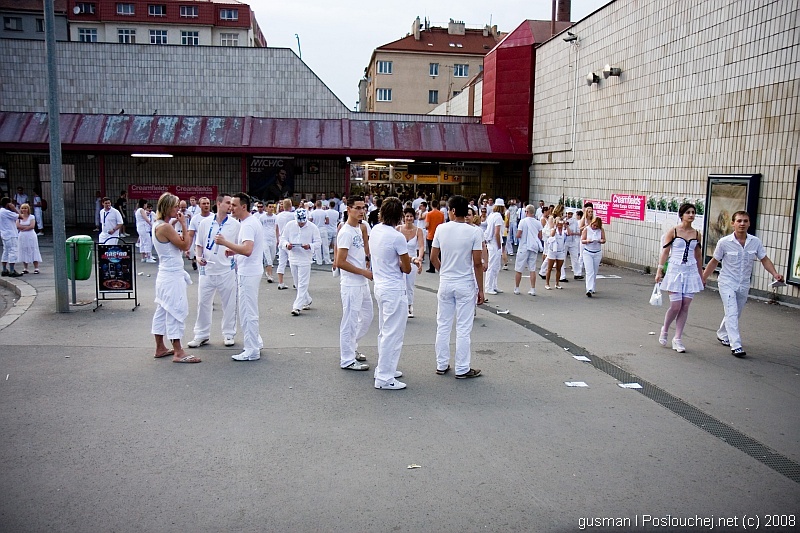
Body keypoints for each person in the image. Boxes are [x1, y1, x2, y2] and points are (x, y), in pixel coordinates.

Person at [702, 211, 784, 357]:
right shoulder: (724, 242)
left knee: (735, 312)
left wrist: (775, 273)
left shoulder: (755, 242)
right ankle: (736, 345)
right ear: (733, 223)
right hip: (727, 282)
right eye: (739, 221)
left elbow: (764, 259)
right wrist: (704, 277)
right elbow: (714, 261)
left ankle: (722, 333)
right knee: (732, 311)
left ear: (749, 223)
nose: (742, 224)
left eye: (745, 221)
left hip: (744, 283)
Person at [431, 195, 484, 379]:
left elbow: (433, 257)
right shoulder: (474, 232)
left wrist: (443, 271)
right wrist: (481, 289)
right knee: (463, 328)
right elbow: (477, 263)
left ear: (452, 211)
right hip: (465, 282)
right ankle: (462, 368)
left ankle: (441, 364)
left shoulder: (441, 229)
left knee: (443, 325)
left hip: (446, 281)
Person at [214, 193, 264, 362]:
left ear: (244, 206)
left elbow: (248, 250)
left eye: (234, 205)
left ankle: (252, 349)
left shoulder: (248, 225)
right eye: (230, 205)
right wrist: (234, 251)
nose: (231, 208)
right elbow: (247, 248)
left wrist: (225, 243)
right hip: (249, 270)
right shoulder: (248, 223)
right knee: (248, 309)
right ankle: (255, 341)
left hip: (249, 272)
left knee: (247, 311)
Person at [187, 193, 240, 350]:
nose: (230, 206)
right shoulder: (204, 223)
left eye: (232, 203)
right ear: (218, 203)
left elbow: (239, 246)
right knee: (203, 303)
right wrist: (197, 257)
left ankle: (229, 333)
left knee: (229, 303)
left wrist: (233, 257)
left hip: (226, 270)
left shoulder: (235, 225)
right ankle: (201, 334)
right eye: (227, 203)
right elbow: (199, 244)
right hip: (207, 269)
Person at [370, 197, 413, 390]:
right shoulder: (397, 237)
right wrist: (409, 262)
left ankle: (384, 368)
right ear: (399, 216)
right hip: (394, 288)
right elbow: (406, 267)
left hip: (380, 284)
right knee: (393, 333)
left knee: (385, 330)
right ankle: (385, 377)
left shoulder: (376, 230)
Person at [150, 193, 198, 363]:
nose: (179, 209)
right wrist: (184, 225)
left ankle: (160, 347)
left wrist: (175, 222)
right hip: (172, 275)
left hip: (165, 273)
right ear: (167, 207)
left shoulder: (158, 224)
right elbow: (185, 244)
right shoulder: (165, 228)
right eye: (176, 206)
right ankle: (178, 351)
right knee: (176, 310)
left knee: (162, 310)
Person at [655, 203, 703, 352]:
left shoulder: (697, 233)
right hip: (675, 270)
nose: (691, 215)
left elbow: (698, 254)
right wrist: (659, 271)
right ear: (681, 214)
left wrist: (701, 275)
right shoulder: (674, 231)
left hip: (690, 271)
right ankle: (665, 329)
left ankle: (678, 338)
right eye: (688, 212)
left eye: (693, 212)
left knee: (685, 305)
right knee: (676, 305)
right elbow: (665, 252)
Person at [335, 195, 373, 371]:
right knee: (349, 321)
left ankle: (352, 347)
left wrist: (366, 260)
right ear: (348, 209)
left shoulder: (360, 228)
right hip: (351, 283)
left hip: (362, 282)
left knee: (367, 317)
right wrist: (363, 271)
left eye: (363, 207)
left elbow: (362, 249)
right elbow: (340, 261)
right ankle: (347, 359)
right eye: (357, 208)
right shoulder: (346, 232)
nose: (361, 211)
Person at [280, 208, 320, 316]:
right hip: (293, 257)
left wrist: (309, 246)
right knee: (297, 283)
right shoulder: (289, 225)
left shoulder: (313, 227)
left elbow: (318, 242)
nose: (301, 223)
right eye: (299, 221)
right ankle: (307, 299)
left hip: (305, 259)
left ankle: (297, 306)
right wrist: (286, 245)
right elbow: (283, 239)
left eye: (303, 221)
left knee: (302, 283)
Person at [398, 207, 424, 317]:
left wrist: (419, 258)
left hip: (413, 260)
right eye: (407, 216)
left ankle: (409, 306)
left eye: (411, 216)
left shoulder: (418, 230)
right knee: (400, 284)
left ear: (414, 217)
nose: (409, 218)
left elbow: (422, 246)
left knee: (409, 284)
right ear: (404, 217)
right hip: (399, 260)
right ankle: (400, 306)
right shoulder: (398, 229)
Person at [513, 204, 543, 295]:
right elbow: (540, 236)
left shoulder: (523, 221)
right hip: (533, 247)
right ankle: (533, 288)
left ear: (527, 212)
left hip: (524, 246)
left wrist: (519, 236)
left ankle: (517, 288)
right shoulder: (538, 223)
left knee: (519, 268)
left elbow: (518, 234)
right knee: (532, 268)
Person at [185, 196, 212, 271]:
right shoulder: (195, 219)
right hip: (200, 248)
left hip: (212, 249)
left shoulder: (214, 217)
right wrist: (188, 248)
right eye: (204, 204)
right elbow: (191, 235)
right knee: (202, 272)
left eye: (208, 203)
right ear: (199, 205)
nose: (206, 205)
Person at [484, 198, 505, 294]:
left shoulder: (491, 215)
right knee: (493, 266)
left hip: (491, 242)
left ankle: (493, 285)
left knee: (495, 266)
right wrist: (499, 245)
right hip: (495, 243)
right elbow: (497, 233)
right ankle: (489, 287)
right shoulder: (498, 217)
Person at [581, 216, 606, 297]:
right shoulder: (587, 229)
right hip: (588, 252)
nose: (594, 227)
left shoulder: (601, 230)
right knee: (589, 271)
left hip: (597, 252)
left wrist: (601, 241)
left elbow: (604, 239)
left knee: (595, 271)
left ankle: (593, 287)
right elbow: (582, 240)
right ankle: (589, 289)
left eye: (596, 226)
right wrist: (587, 241)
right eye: (593, 225)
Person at [15, 203, 42, 274]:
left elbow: (32, 226)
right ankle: (25, 268)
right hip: (22, 236)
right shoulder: (19, 217)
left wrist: (23, 228)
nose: (24, 210)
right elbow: (17, 226)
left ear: (28, 209)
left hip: (31, 235)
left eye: (25, 208)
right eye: (22, 208)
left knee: (33, 249)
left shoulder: (32, 217)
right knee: (24, 249)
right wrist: (26, 227)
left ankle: (36, 268)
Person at [274, 198, 295, 290]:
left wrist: (277, 238)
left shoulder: (278, 216)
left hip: (281, 239)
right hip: (290, 240)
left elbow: (276, 229)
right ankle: (296, 282)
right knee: (293, 262)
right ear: (290, 206)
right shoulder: (293, 215)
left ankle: (280, 282)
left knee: (281, 262)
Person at [0, 198, 22, 277]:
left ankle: (4, 269)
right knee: (13, 251)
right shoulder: (6, 212)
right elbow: (20, 216)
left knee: (6, 252)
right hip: (11, 234)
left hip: (5, 234)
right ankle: (12, 270)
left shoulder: (1, 211)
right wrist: (14, 209)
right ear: (8, 204)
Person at [544, 218, 567, 290]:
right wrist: (555, 226)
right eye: (558, 223)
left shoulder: (564, 231)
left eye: (561, 223)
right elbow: (552, 235)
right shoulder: (554, 230)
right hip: (552, 251)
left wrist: (566, 225)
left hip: (560, 251)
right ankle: (547, 283)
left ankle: (557, 283)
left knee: (559, 268)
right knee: (549, 268)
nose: (560, 225)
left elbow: (569, 233)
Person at [258, 202, 277, 282]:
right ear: (266, 208)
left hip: (273, 239)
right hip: (264, 239)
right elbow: (259, 228)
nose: (271, 208)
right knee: (268, 257)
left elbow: (277, 228)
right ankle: (270, 275)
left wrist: (278, 238)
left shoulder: (276, 217)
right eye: (270, 207)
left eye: (272, 207)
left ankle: (267, 271)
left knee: (272, 257)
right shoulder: (262, 218)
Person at [424, 200, 444, 273]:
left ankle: (432, 268)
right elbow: (443, 223)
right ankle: (440, 266)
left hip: (431, 235)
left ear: (431, 205)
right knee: (439, 253)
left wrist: (425, 227)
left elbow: (427, 225)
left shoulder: (429, 214)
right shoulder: (441, 214)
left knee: (431, 252)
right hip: (439, 235)